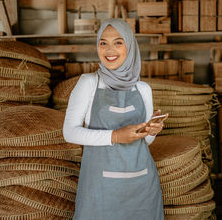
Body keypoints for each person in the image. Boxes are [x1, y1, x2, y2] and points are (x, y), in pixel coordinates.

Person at [63, 18, 167, 220]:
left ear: (130, 45)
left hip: (141, 183)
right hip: (100, 186)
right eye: (103, 43)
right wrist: (115, 136)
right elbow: (70, 132)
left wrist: (150, 131)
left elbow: (145, 142)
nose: (109, 50)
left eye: (118, 42)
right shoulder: (89, 83)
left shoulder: (143, 89)